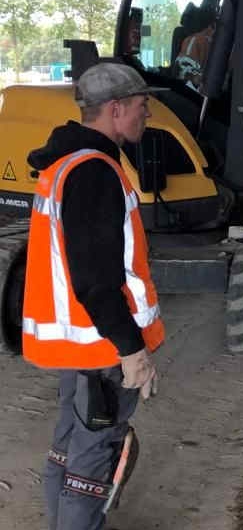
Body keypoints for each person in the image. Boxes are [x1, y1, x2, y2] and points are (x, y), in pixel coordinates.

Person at [23, 62, 167, 530]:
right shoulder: (95, 171)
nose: (147, 116)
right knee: (92, 463)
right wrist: (133, 351)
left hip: (79, 346)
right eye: (142, 108)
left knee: (67, 450)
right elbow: (96, 279)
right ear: (116, 108)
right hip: (102, 348)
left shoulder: (64, 163)